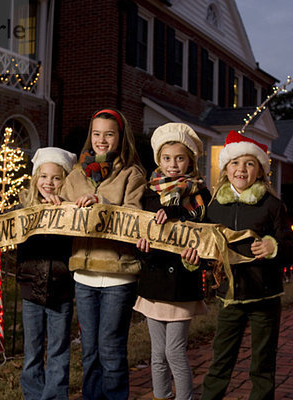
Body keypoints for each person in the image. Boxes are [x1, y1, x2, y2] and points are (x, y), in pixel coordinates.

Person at [200, 130, 293, 400]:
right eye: (235, 163)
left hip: (265, 296)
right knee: (221, 360)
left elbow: (292, 249)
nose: (241, 169)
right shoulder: (214, 206)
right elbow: (206, 249)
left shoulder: (273, 206)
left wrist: (273, 247)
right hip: (229, 298)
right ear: (226, 168)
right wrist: (195, 258)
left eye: (249, 163)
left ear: (260, 171)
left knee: (263, 364)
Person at [60, 108, 146, 400]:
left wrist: (101, 202)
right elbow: (58, 213)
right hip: (83, 275)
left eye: (109, 134)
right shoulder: (74, 175)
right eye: (97, 134)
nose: (102, 140)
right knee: (89, 350)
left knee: (110, 350)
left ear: (120, 138)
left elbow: (135, 216)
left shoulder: (131, 174)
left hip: (117, 275)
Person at [0, 147, 77, 400]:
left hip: (61, 289)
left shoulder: (70, 212)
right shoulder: (23, 208)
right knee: (32, 349)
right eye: (44, 176)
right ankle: (33, 395)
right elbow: (3, 221)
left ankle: (54, 396)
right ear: (36, 178)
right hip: (31, 288)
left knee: (59, 350)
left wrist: (63, 211)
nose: (49, 182)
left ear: (64, 181)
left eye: (56, 178)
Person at [133, 123, 211, 400]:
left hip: (181, 283)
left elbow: (206, 237)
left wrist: (195, 258)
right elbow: (142, 233)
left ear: (190, 160)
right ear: (159, 160)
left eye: (180, 158)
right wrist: (142, 248)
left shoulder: (200, 196)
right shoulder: (149, 194)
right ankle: (161, 395)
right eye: (167, 158)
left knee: (174, 350)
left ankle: (185, 397)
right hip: (154, 282)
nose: (173, 164)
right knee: (157, 352)